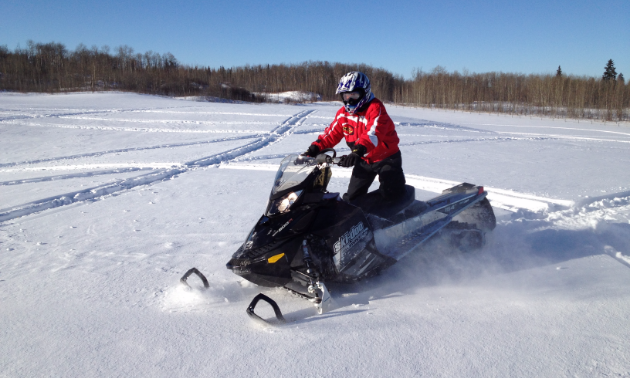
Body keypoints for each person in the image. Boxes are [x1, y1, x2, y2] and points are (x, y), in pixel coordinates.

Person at [303, 71, 406, 202]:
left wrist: (358, 151)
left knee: (393, 196)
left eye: (354, 95)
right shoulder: (343, 114)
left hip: (386, 158)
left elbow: (373, 133)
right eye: (346, 96)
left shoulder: (375, 108)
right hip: (363, 160)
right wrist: (314, 149)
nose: (350, 100)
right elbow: (331, 134)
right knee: (352, 199)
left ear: (364, 92)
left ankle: (400, 218)